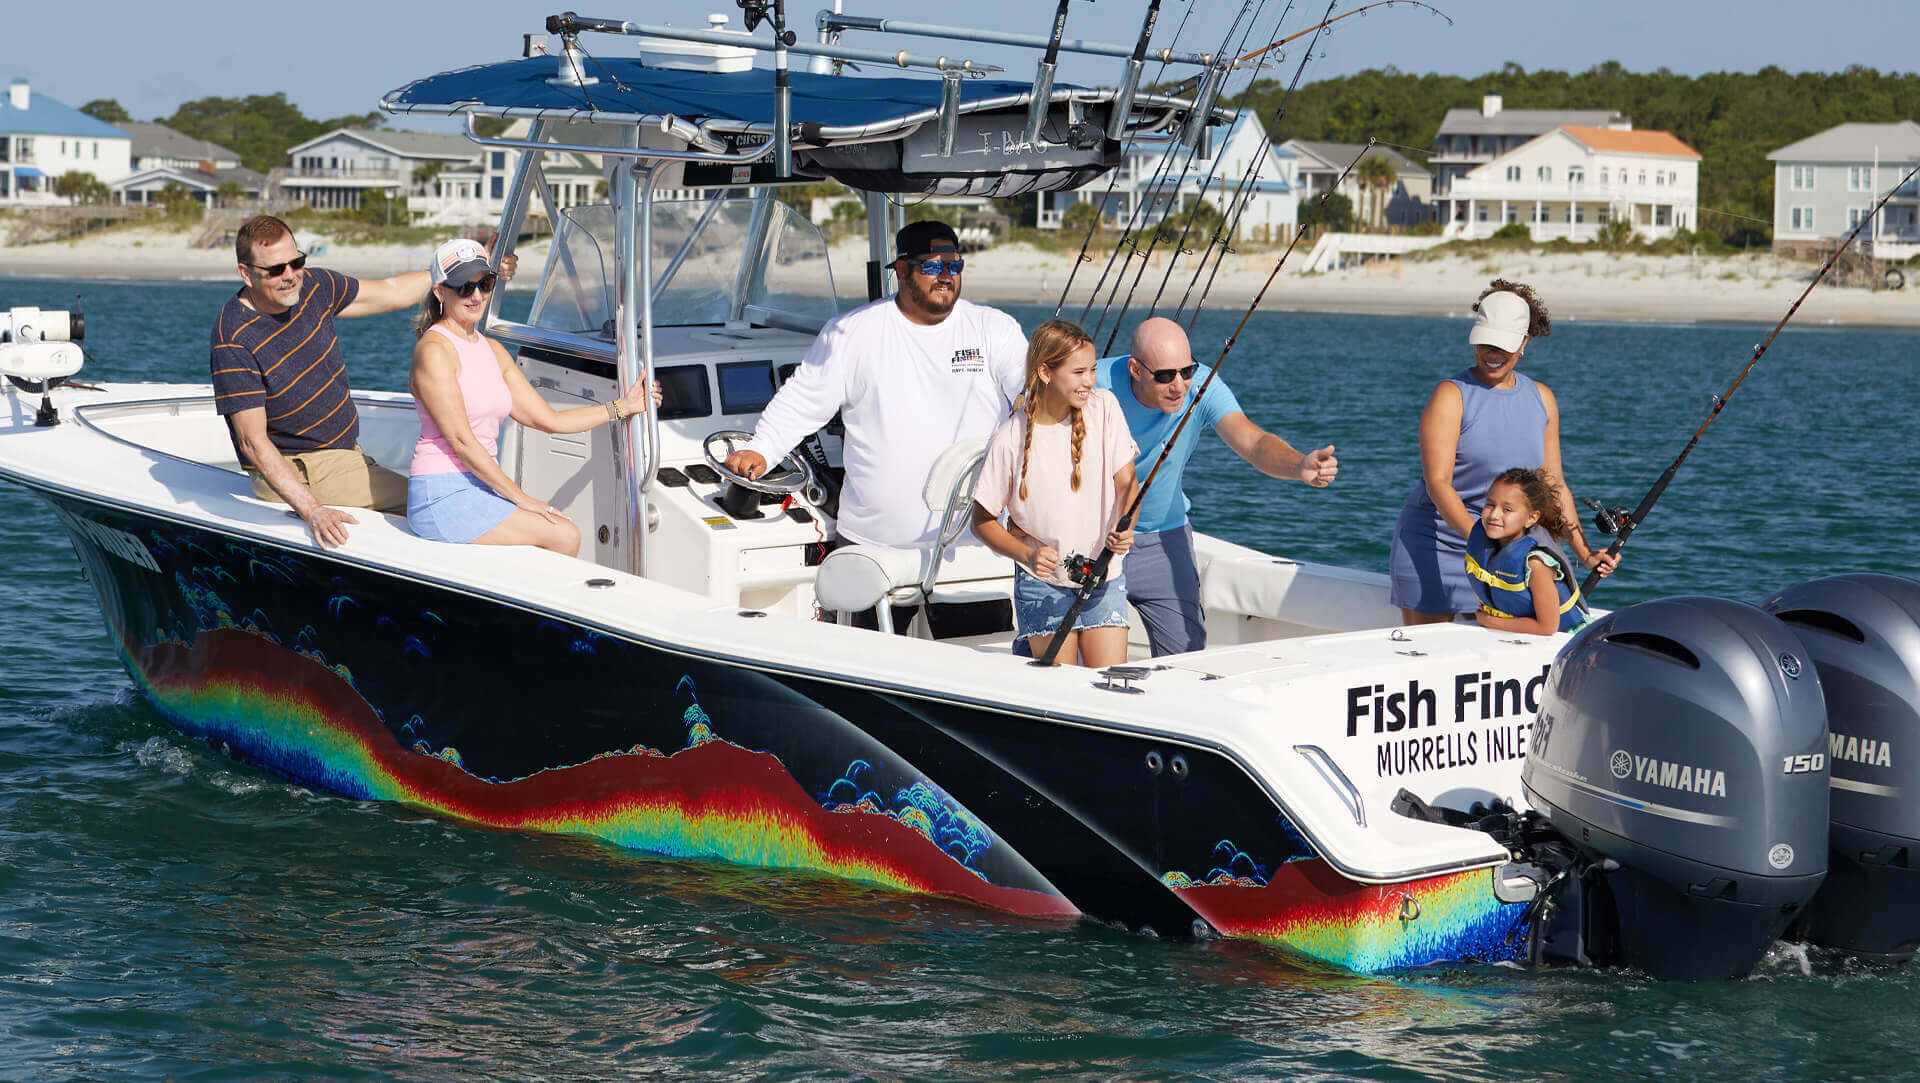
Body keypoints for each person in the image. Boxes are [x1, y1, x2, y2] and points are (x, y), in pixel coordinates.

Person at [209, 214, 514, 549]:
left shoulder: (314, 287)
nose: (290, 276)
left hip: (342, 456)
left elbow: (390, 291)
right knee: (433, 508)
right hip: (301, 467)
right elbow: (252, 441)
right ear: (245, 273)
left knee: (451, 499)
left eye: (295, 262)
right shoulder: (233, 337)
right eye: (275, 270)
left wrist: (465, 272)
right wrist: (311, 510)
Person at [722, 220, 1027, 548]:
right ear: (903, 270)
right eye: (932, 266)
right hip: (872, 543)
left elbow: (1036, 400)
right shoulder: (850, 333)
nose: (946, 276)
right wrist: (762, 448)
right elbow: (803, 402)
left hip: (976, 543)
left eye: (954, 266)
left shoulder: (995, 328)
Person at [1097, 316, 1338, 656]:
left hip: (1166, 540)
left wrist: (1299, 465)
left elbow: (1253, 442)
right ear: (1135, 370)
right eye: (1164, 376)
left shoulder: (1202, 387)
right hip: (1097, 538)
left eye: (1187, 370)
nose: (1179, 385)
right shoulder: (1096, 384)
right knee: (1104, 666)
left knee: (1187, 658)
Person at [406, 239, 657, 555]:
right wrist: (521, 498)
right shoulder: (434, 350)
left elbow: (548, 420)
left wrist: (622, 407)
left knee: (558, 529)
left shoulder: (493, 351)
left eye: (484, 284)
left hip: (481, 487)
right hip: (441, 494)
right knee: (564, 535)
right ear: (440, 291)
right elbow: (462, 441)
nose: (477, 296)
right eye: (463, 287)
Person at [1389, 280, 1617, 625]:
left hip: (1507, 551)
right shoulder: (1451, 395)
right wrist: (1483, 543)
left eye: (1504, 345)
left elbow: (1553, 484)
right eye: (1485, 342)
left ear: (1524, 343)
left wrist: (1584, 553)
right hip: (1439, 544)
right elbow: (1438, 484)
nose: (1492, 353)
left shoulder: (1542, 399)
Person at [971, 320, 1139, 667]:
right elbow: (982, 522)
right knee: (1060, 690)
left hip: (1104, 577)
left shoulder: (1104, 407)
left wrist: (1126, 526)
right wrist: (1025, 555)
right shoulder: (1009, 437)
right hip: (1042, 584)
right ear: (1045, 372)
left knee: (1108, 685)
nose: (1090, 380)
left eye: (1092, 369)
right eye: (1078, 372)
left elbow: (1128, 483)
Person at [1467, 467, 1589, 636]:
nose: (1494, 515)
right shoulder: (1492, 545)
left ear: (1531, 518)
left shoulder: (1535, 564)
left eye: (1507, 509)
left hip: (1564, 641)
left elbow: (1547, 627)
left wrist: (1489, 621)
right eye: (1490, 505)